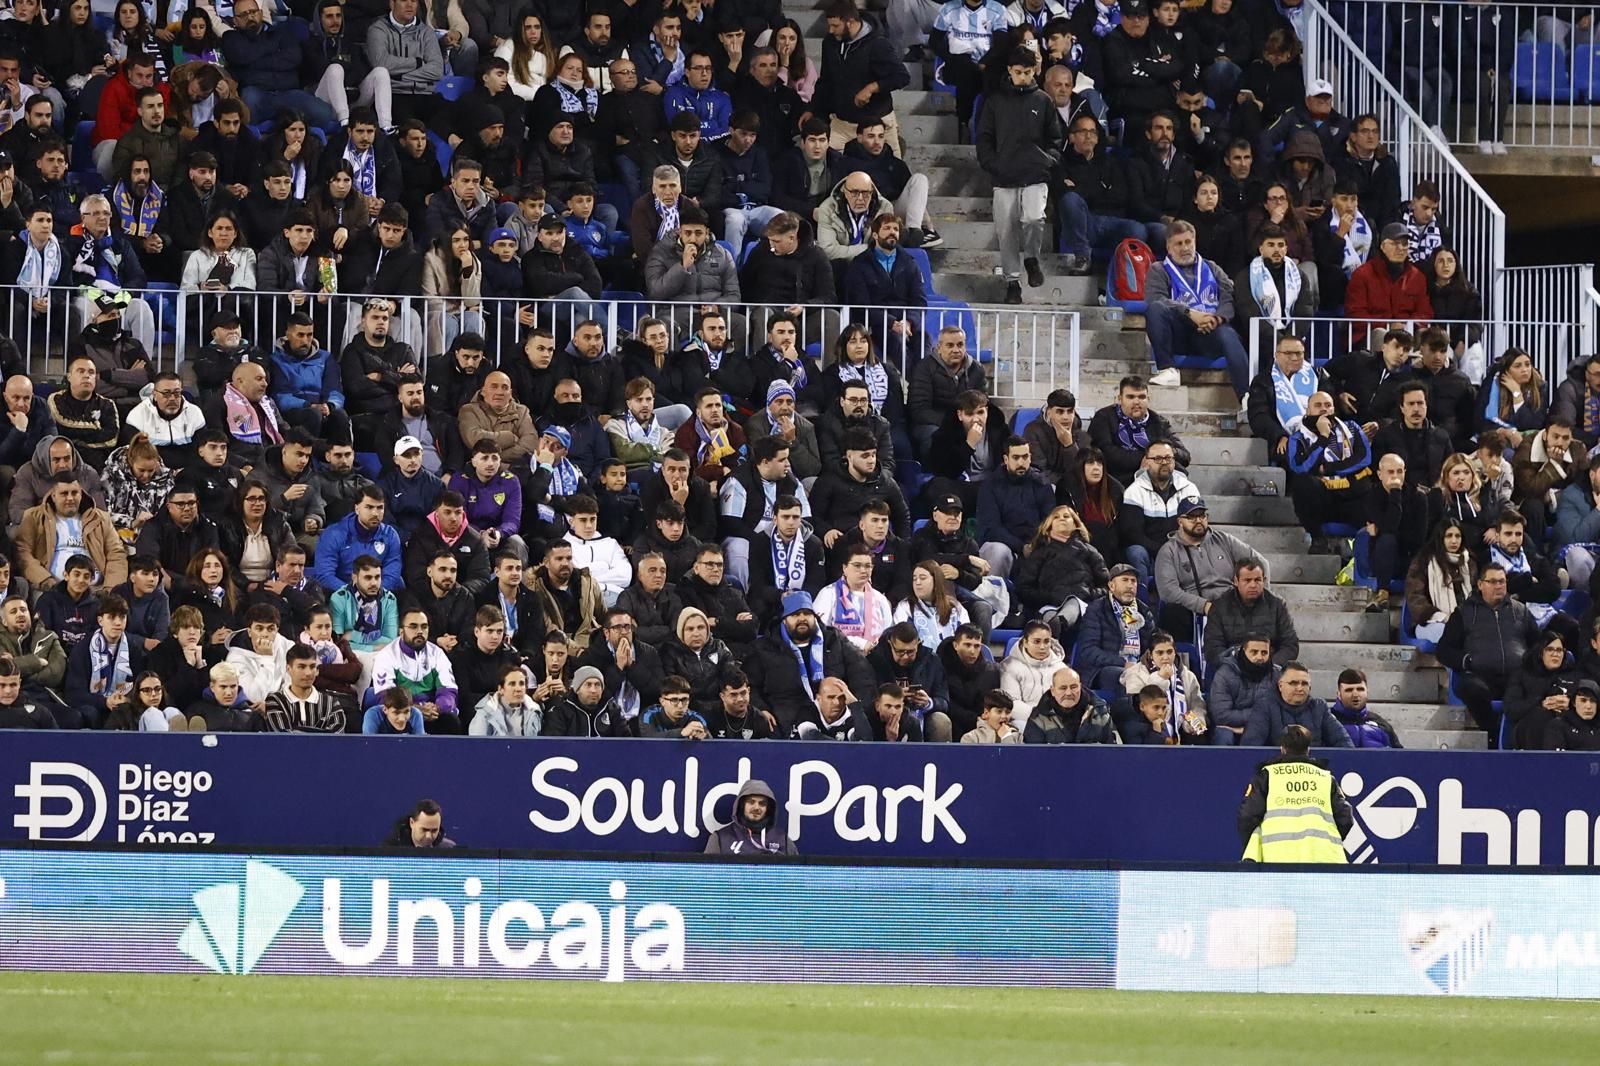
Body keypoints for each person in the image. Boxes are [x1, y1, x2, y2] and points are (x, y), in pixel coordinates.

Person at [978, 47, 1060, 303]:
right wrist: (993, 164)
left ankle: (1032, 258)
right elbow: (984, 138)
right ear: (1009, 71)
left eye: (1027, 72)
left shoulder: (1044, 100)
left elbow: (1055, 138)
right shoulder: (994, 101)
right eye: (1018, 72)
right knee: (1006, 231)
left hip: (1035, 173)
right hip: (1004, 176)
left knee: (1035, 218)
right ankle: (1012, 282)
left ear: (1035, 71)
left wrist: (1049, 161)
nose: (1023, 77)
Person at [1436, 564, 1540, 740]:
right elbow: (1444, 650)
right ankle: (1493, 732)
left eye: (1502, 581)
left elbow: (1537, 645)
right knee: (1470, 688)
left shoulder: (1520, 611)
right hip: (1482, 678)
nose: (1498, 586)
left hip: (1517, 678)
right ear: (1480, 584)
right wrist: (1467, 661)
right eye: (1492, 581)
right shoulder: (1464, 612)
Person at [1238, 723, 1353, 863]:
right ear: (1308, 749)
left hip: (1276, 858)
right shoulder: (1325, 777)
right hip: (1324, 858)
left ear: (1283, 749)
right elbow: (1345, 817)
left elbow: (1248, 816)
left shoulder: (1267, 775)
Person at [15, 472, 128, 593]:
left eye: (74, 493)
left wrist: (110, 587)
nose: (70, 498)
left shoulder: (101, 518)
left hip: (96, 591)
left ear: (81, 494)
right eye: (64, 494)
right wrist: (44, 580)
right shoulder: (34, 517)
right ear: (53, 496)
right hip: (51, 590)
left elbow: (116, 555)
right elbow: (23, 553)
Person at [1286, 391, 1373, 547]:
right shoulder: (1297, 438)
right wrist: (1323, 437)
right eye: (1318, 405)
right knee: (1302, 483)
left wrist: (1327, 468)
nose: (1324, 409)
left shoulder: (1351, 428)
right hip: (1323, 500)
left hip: (1353, 495)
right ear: (1308, 410)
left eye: (1328, 405)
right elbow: (1301, 467)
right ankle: (1318, 540)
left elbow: (1364, 457)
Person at [1118, 439, 1200, 585]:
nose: (1164, 462)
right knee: (1136, 552)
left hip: (1181, 550)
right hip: (1150, 552)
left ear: (1174, 461)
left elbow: (1196, 527)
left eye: (1168, 458)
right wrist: (1162, 551)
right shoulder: (1134, 491)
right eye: (1157, 458)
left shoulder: (1189, 489)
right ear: (1147, 462)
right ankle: (1141, 604)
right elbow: (1132, 534)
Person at [370, 607, 461, 734]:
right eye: (413, 627)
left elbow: (449, 691)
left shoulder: (437, 654)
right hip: (401, 714)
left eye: (424, 627)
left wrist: (437, 708)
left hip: (432, 713)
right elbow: (385, 697)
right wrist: (415, 710)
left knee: (450, 721)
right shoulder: (387, 656)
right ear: (401, 631)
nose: (420, 631)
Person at [62, 592, 144, 730]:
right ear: (100, 621)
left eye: (122, 617)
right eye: (111, 617)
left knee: (128, 711)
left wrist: (128, 699)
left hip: (123, 705)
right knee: (90, 714)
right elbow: (74, 693)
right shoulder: (83, 648)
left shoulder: (133, 648)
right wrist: (105, 701)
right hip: (94, 705)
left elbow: (140, 685)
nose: (118, 622)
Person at [1344, 222, 1432, 346]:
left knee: (1431, 340)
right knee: (1382, 335)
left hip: (1408, 333)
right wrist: (1388, 326)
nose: (1401, 248)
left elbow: (1424, 312)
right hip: (1369, 335)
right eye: (1395, 243)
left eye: (1405, 244)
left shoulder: (1418, 277)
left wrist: (1407, 325)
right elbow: (1356, 314)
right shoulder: (1362, 274)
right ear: (1383, 246)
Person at [1364, 453, 1429, 614]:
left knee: (1387, 537)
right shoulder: (1371, 496)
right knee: (1387, 540)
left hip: (1410, 557)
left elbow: (1418, 538)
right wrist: (1395, 495)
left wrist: (1382, 530)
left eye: (1399, 471)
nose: (1396, 477)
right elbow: (1390, 528)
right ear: (1380, 474)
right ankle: (1382, 593)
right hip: (1382, 559)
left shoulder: (1418, 497)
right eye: (1390, 472)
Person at [1242, 661, 1353, 748]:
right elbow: (1251, 747)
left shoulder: (1319, 707)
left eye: (1304, 683)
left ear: (1310, 687)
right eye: (1293, 683)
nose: (1299, 688)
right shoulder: (1264, 707)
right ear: (1280, 686)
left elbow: (1344, 743)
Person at [1370, 382, 1453, 491]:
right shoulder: (1385, 437)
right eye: (1411, 404)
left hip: (1433, 497)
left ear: (1426, 405)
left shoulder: (1441, 437)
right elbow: (1376, 474)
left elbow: (1450, 470)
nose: (1416, 409)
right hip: (1398, 497)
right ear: (1402, 407)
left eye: (1420, 403)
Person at [1404, 519, 1476, 646]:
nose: (1454, 541)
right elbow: (1414, 596)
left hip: (1465, 622)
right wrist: (1440, 617)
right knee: (1451, 634)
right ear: (1440, 538)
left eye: (1457, 536)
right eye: (1449, 536)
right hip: (1429, 623)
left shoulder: (1469, 563)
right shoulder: (1424, 561)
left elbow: (1476, 595)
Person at [1512, 417, 1586, 538]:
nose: (1560, 443)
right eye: (1555, 437)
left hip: (1563, 501)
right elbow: (1529, 489)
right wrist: (1553, 464)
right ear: (1545, 435)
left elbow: (1583, 484)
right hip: (1530, 503)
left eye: (1565, 438)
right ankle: (1536, 553)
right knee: (1533, 507)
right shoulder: (1527, 448)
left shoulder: (1578, 449)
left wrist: (1555, 497)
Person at [1022, 665, 1118, 743]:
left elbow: (1111, 754)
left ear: (1080, 687)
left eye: (1073, 687)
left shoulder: (1100, 713)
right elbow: (1033, 759)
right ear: (1052, 691)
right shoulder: (1038, 717)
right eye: (1063, 688)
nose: (1068, 693)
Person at [704, 778, 796, 856]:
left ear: (768, 808)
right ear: (741, 805)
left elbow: (796, 875)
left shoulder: (783, 840)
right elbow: (707, 875)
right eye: (751, 802)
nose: (756, 807)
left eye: (762, 803)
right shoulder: (720, 839)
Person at [1329, 668, 1402, 748]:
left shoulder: (1381, 724)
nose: (1355, 694)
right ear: (1338, 694)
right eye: (1349, 690)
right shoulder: (1326, 721)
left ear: (1367, 692)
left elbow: (1399, 757)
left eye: (1360, 689)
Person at [384, 798, 456, 848]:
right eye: (424, 830)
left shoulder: (450, 850)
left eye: (434, 830)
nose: (428, 836)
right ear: (411, 823)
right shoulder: (390, 849)